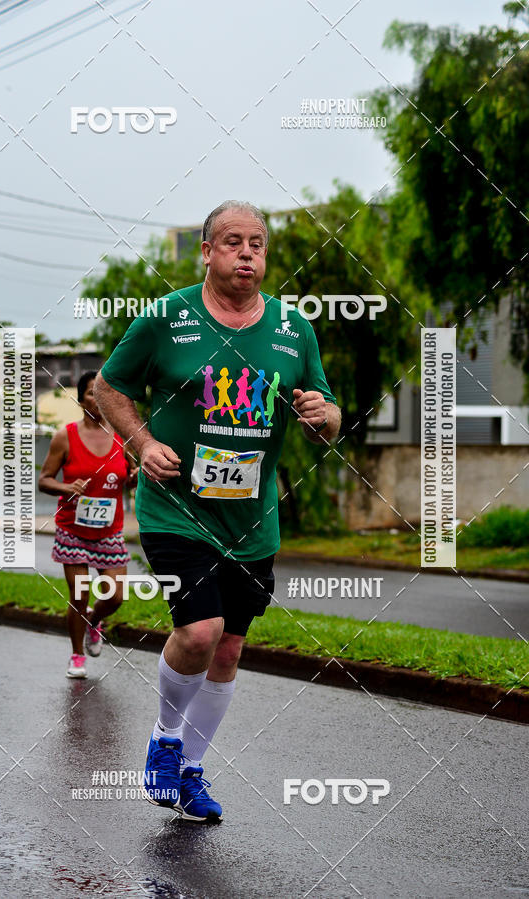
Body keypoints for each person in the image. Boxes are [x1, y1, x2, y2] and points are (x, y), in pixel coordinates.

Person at [94, 201, 341, 822]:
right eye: (232, 242)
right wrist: (144, 444)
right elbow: (108, 386)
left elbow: (327, 409)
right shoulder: (165, 317)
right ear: (207, 251)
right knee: (199, 632)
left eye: (257, 243)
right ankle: (164, 741)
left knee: (228, 650)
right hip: (176, 507)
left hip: (252, 518)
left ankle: (192, 771)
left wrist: (325, 418)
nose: (247, 253)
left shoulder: (294, 330)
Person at [38, 371, 137, 678]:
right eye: (93, 393)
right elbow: (44, 480)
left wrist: (134, 479)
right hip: (73, 529)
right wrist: (67, 488)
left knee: (116, 596)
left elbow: (133, 473)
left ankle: (94, 620)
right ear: (81, 400)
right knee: (79, 594)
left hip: (109, 531)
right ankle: (77, 655)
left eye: (104, 393)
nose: (99, 399)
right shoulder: (64, 436)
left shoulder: (122, 436)